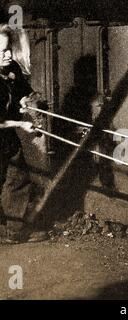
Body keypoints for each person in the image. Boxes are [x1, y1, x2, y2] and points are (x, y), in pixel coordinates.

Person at [0, 23, 45, 243]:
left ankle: (13, 230)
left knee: (17, 177)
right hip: (4, 129)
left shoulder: (12, 70)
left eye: (8, 49)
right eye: (1, 52)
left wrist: (26, 101)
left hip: (7, 138)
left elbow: (22, 94)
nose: (7, 55)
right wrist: (20, 125)